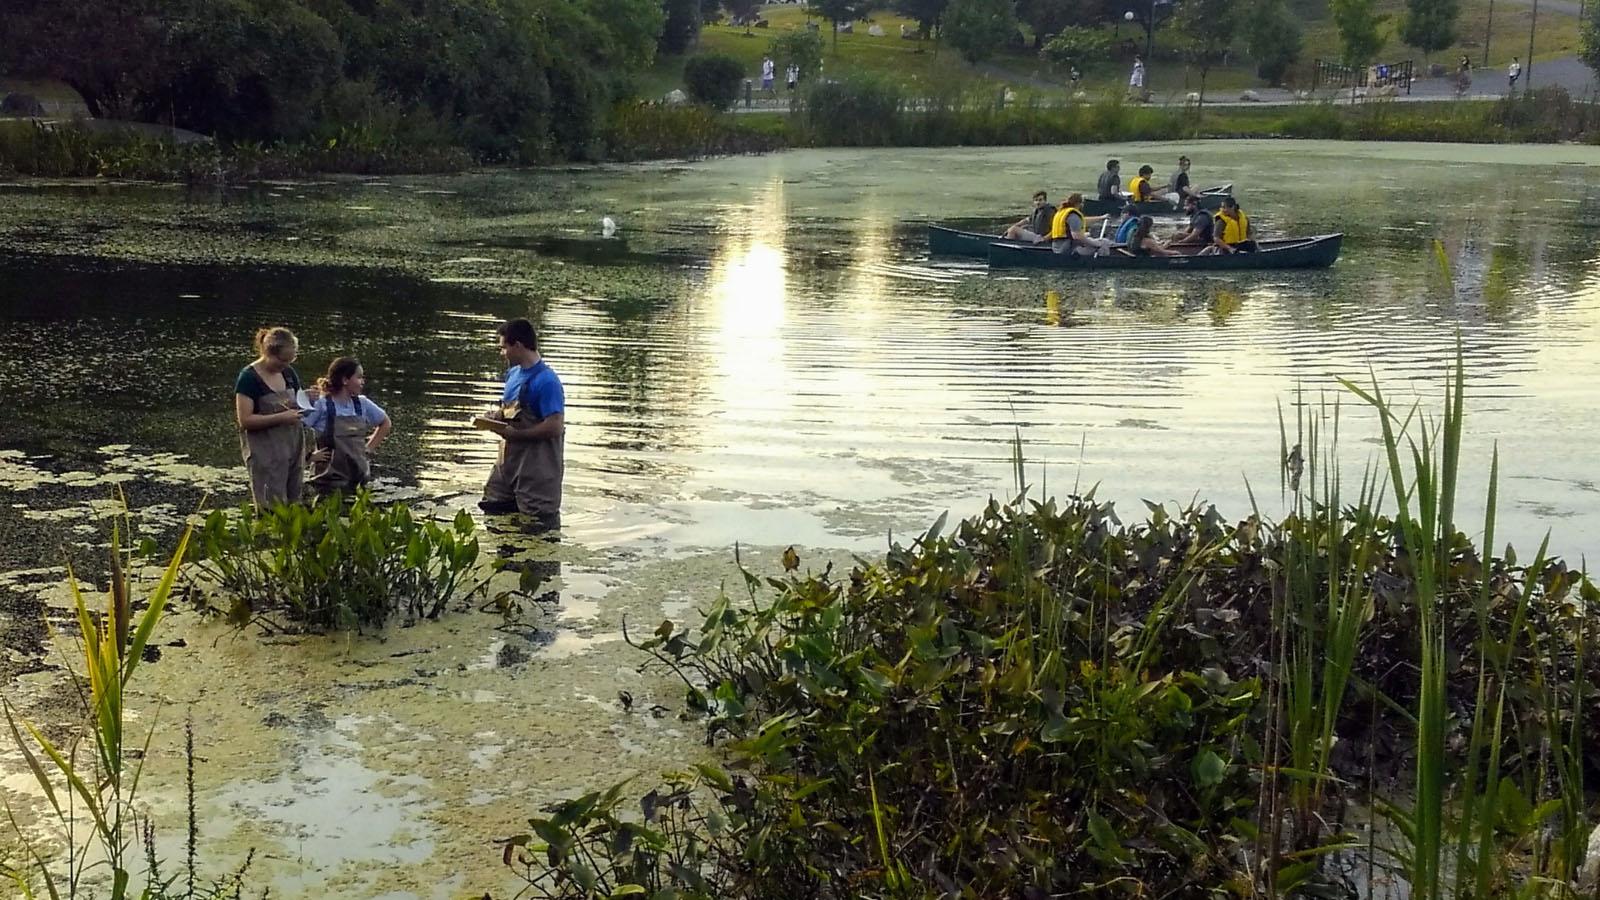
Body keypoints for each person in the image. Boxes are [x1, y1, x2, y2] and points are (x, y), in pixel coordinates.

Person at [480, 318, 566, 531]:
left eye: (504, 347)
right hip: (507, 465)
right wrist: (495, 416)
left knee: (537, 527)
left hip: (537, 470)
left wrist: (516, 435)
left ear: (517, 345)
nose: (502, 353)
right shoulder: (513, 373)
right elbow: (510, 409)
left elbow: (555, 426)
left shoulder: (547, 382)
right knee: (493, 509)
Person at [234, 326, 312, 510]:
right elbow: (244, 420)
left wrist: (306, 397)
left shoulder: (289, 373)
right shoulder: (249, 378)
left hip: (292, 448)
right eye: (282, 360)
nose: (286, 365)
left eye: (291, 360)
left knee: (294, 503)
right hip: (265, 454)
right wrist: (281, 417)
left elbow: (294, 405)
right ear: (268, 353)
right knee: (271, 507)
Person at [303, 357, 391, 494]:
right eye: (359, 377)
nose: (363, 382)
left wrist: (369, 449)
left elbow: (385, 423)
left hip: (359, 478)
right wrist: (309, 456)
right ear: (345, 380)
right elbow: (297, 429)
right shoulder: (322, 405)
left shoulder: (362, 403)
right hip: (326, 481)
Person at [1050, 192, 1114, 256]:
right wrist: (1095, 243)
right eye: (1082, 203)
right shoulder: (1073, 216)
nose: (1083, 205)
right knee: (1104, 243)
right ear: (1078, 204)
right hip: (1068, 249)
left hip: (1057, 247)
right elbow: (1077, 236)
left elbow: (1083, 221)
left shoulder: (1063, 212)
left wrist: (1102, 217)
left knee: (1097, 240)